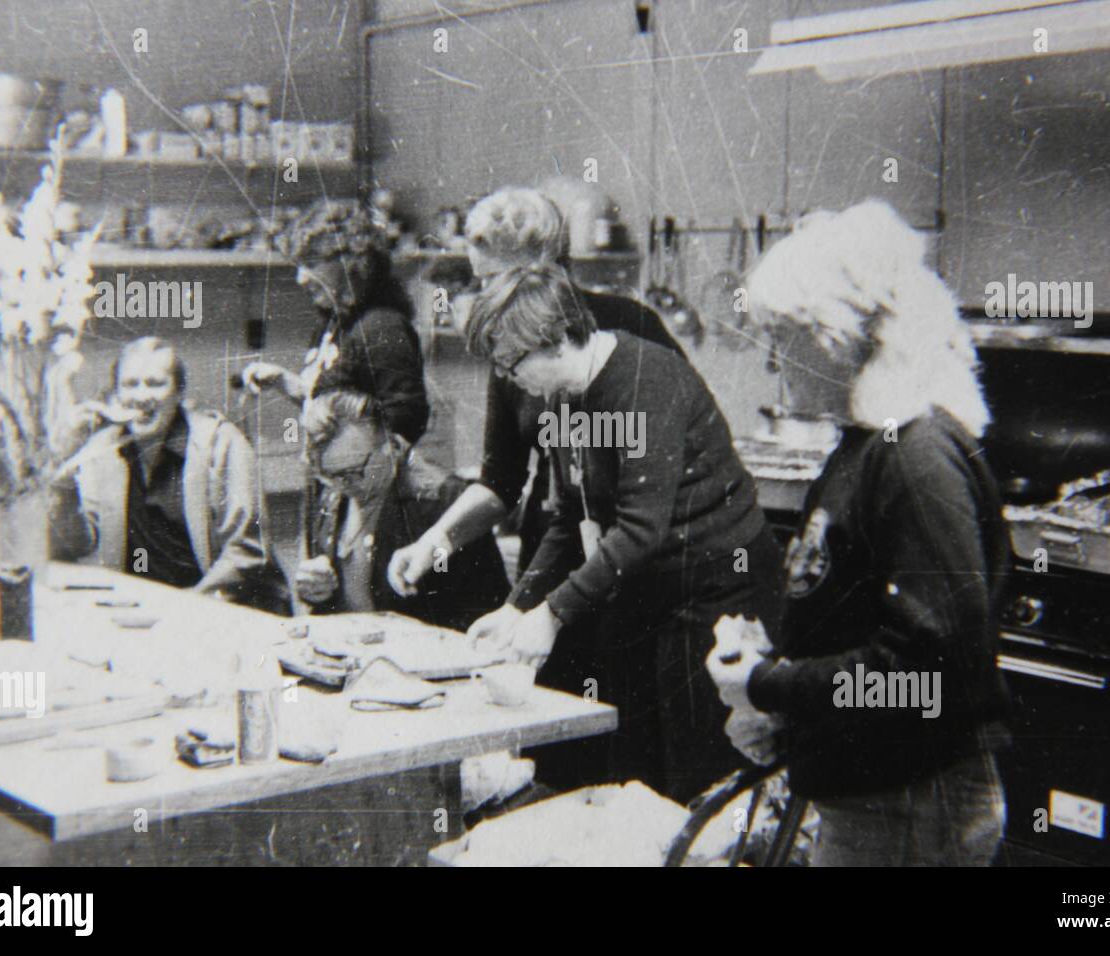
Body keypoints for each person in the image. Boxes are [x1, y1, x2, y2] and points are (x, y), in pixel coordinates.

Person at [705, 199, 1011, 866]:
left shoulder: (913, 457)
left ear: (832, 337)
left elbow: (921, 678)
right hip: (877, 795)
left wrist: (769, 686)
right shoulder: (866, 444)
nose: (772, 363)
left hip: (906, 804)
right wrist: (781, 691)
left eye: (781, 338)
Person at [387, 187, 683, 789]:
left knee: (632, 756)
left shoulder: (632, 330)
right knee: (555, 747)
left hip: (635, 568)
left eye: (490, 278)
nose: (481, 296)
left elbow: (656, 495)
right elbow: (501, 480)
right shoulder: (510, 340)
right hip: (560, 548)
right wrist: (436, 542)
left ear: (543, 272)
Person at [456, 263, 784, 803]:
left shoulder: (643, 383)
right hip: (646, 584)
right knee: (633, 766)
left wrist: (553, 614)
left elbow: (640, 528)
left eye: (510, 363)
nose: (505, 378)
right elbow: (571, 515)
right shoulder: (561, 394)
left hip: (715, 588)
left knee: (695, 776)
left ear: (558, 339)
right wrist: (518, 606)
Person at [50, 337, 290, 614]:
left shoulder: (221, 442)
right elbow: (80, 545)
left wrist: (184, 607)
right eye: (130, 384)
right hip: (143, 611)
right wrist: (64, 484)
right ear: (115, 394)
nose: (142, 396)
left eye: (155, 383)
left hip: (223, 608)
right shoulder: (102, 448)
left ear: (179, 392)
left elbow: (248, 551)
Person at [295, 389, 509, 632]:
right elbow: (330, 607)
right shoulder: (329, 494)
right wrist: (315, 590)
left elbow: (481, 613)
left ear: (393, 445)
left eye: (356, 471)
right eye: (332, 475)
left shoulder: (445, 501)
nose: (346, 485)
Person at [239, 200, 428, 446]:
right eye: (298, 266)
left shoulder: (383, 327)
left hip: (365, 480)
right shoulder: (332, 323)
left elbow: (408, 421)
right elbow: (328, 407)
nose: (301, 278)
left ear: (352, 262)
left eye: (311, 264)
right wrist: (285, 382)